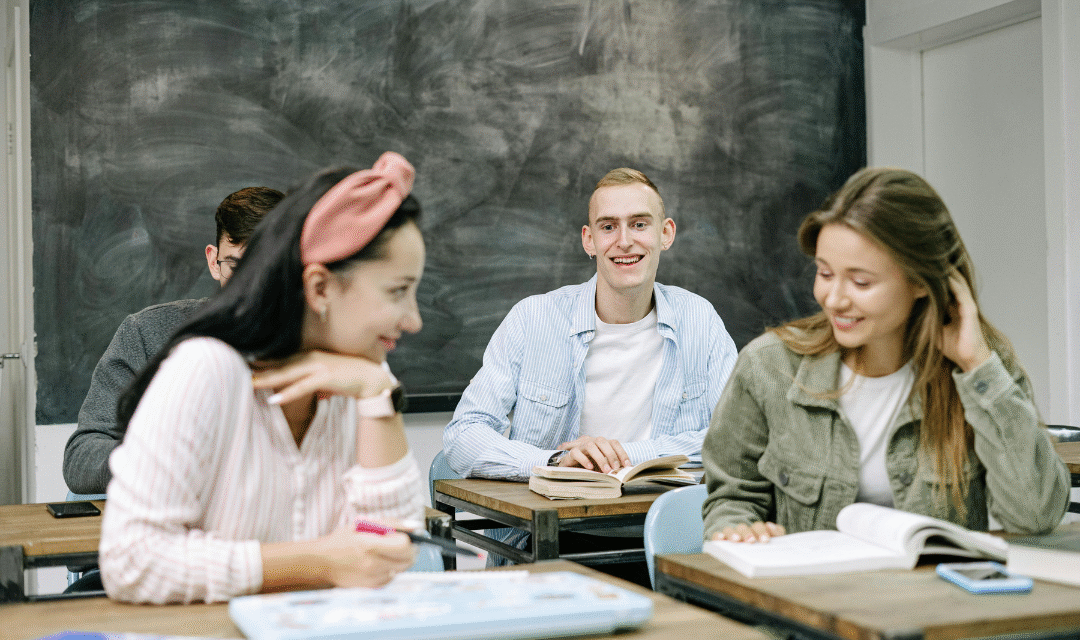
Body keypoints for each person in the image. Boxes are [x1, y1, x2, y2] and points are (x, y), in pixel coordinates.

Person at [98, 152, 427, 604]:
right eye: (397, 291)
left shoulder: (364, 377)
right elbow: (130, 561)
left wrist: (378, 396)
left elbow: (387, 550)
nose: (413, 320)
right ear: (319, 288)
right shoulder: (206, 369)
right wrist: (321, 561)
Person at [701, 167, 1070, 544]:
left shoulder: (981, 367)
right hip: (808, 596)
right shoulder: (770, 367)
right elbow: (731, 499)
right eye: (825, 274)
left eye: (861, 282)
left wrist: (977, 366)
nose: (835, 299)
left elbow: (1034, 515)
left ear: (920, 282)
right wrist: (739, 530)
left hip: (937, 599)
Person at [443, 168, 738, 578]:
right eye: (608, 227)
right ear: (589, 240)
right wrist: (556, 460)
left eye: (639, 224)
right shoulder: (533, 319)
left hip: (670, 544)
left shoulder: (700, 320)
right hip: (552, 545)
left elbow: (734, 440)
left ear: (666, 233)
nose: (624, 241)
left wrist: (626, 456)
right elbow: (463, 435)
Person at [63, 186, 284, 495]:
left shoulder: (317, 342)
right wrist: (160, 458)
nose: (250, 284)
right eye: (236, 266)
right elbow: (81, 460)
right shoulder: (147, 333)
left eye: (266, 267)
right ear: (213, 260)